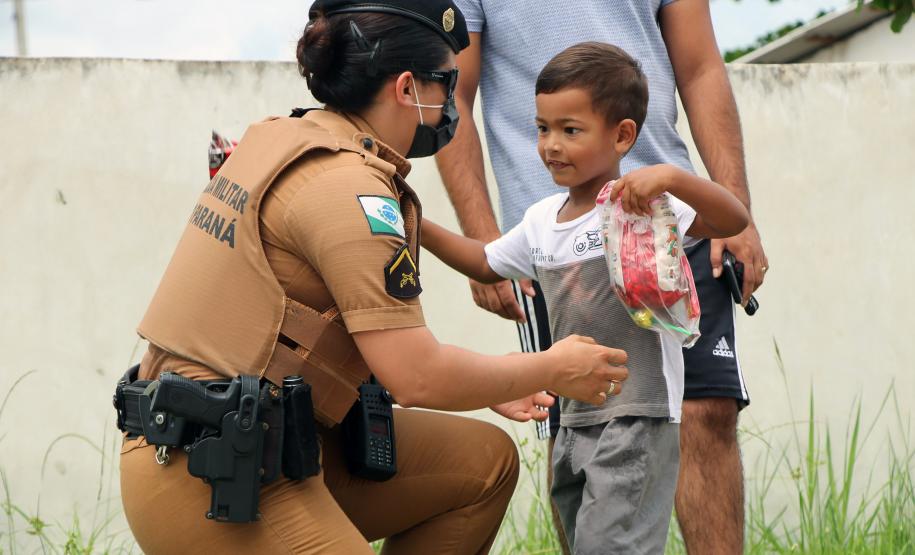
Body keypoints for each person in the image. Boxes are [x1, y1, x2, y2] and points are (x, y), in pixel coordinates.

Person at [116, 2, 630, 554]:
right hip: (212, 471)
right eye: (445, 84)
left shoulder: (286, 138)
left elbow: (311, 338)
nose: (449, 106)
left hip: (255, 437)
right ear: (408, 87)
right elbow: (417, 377)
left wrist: (495, 381)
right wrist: (554, 366)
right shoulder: (349, 191)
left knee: (483, 465)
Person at [436, 1, 770, 551]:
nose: (549, 141)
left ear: (622, 135)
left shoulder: (664, 208)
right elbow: (456, 92)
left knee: (706, 412)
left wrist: (714, 200)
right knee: (572, 432)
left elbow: (702, 66)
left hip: (667, 233)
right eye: (543, 128)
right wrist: (455, 228)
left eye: (566, 128)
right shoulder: (540, 226)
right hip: (552, 257)